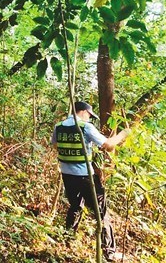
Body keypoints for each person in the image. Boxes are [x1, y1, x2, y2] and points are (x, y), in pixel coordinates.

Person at [51, 101, 130, 262]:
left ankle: (67, 239)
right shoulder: (85, 127)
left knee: (75, 205)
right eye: (89, 115)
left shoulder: (58, 126)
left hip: (67, 174)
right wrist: (124, 134)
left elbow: (56, 145)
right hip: (85, 176)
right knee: (102, 212)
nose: (89, 118)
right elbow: (108, 145)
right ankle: (109, 251)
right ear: (83, 112)